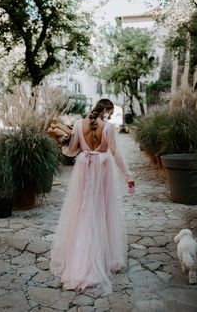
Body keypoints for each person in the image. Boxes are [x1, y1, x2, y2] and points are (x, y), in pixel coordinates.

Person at [50, 98, 134, 294]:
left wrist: (63, 143)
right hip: (102, 171)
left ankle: (80, 258)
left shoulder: (79, 125)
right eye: (110, 112)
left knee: (82, 212)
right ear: (105, 110)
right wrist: (128, 176)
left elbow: (71, 152)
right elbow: (115, 153)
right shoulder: (108, 127)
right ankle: (100, 258)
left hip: (84, 170)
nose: (111, 116)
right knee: (101, 212)